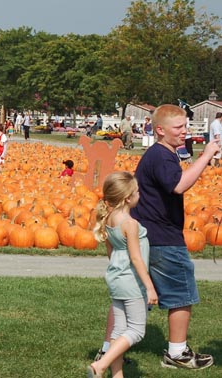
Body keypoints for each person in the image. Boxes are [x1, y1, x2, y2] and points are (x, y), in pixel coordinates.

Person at [130, 104, 220, 370]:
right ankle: (177, 353)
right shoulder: (160, 155)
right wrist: (206, 156)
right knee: (182, 294)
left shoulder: (163, 154)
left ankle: (109, 349)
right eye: (178, 128)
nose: (185, 132)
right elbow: (178, 185)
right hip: (163, 238)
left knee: (130, 296)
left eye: (186, 126)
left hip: (150, 234)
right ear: (160, 130)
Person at [86, 171, 157, 378]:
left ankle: (117, 375)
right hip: (132, 282)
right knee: (136, 330)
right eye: (137, 191)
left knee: (119, 330)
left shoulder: (108, 219)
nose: (139, 194)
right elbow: (136, 258)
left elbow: (111, 251)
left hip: (116, 279)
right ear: (128, 198)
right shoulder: (130, 224)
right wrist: (150, 286)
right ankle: (100, 365)